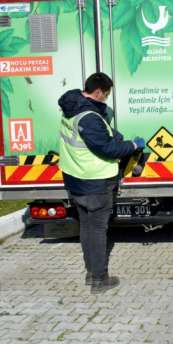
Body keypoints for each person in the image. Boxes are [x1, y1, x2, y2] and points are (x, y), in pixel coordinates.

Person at [58, 72, 145, 294]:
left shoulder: (72, 110)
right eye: (105, 96)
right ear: (97, 93)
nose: (105, 99)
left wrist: (114, 135)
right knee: (97, 230)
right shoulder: (89, 117)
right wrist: (133, 146)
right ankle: (99, 279)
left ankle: (91, 272)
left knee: (86, 227)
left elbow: (97, 136)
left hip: (76, 179)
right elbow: (108, 149)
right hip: (94, 182)